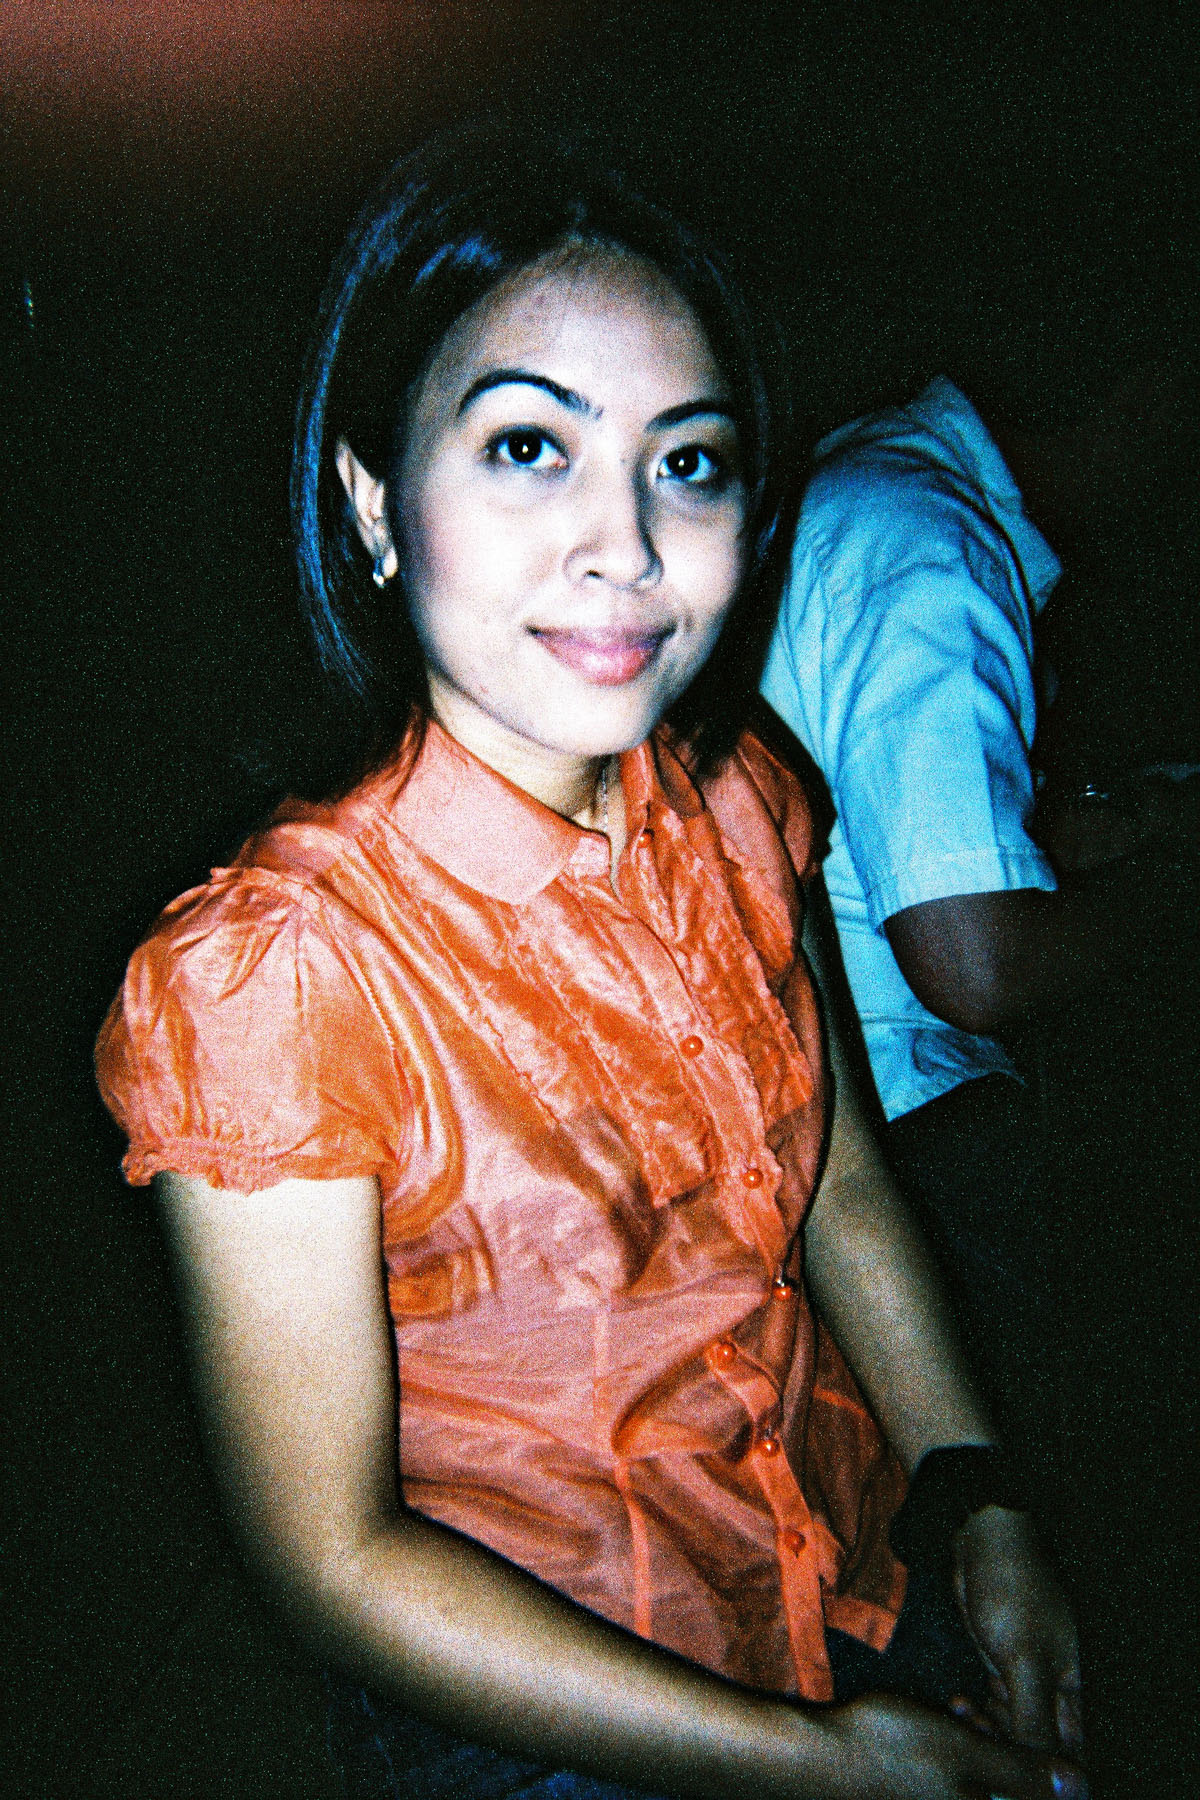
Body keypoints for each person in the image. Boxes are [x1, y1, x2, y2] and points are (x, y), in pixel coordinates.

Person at [95, 136, 1083, 1800]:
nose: (625, 541)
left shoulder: (738, 790)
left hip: (857, 1580)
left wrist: (975, 1496)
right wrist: (804, 1765)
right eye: (531, 448)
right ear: (371, 504)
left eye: (687, 465)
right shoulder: (272, 981)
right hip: (555, 1720)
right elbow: (332, 1559)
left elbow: (833, 1189)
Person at [759, 373, 1199, 1482]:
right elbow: (975, 962)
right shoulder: (923, 530)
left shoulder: (854, 488)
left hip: (840, 1138)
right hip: (913, 1142)